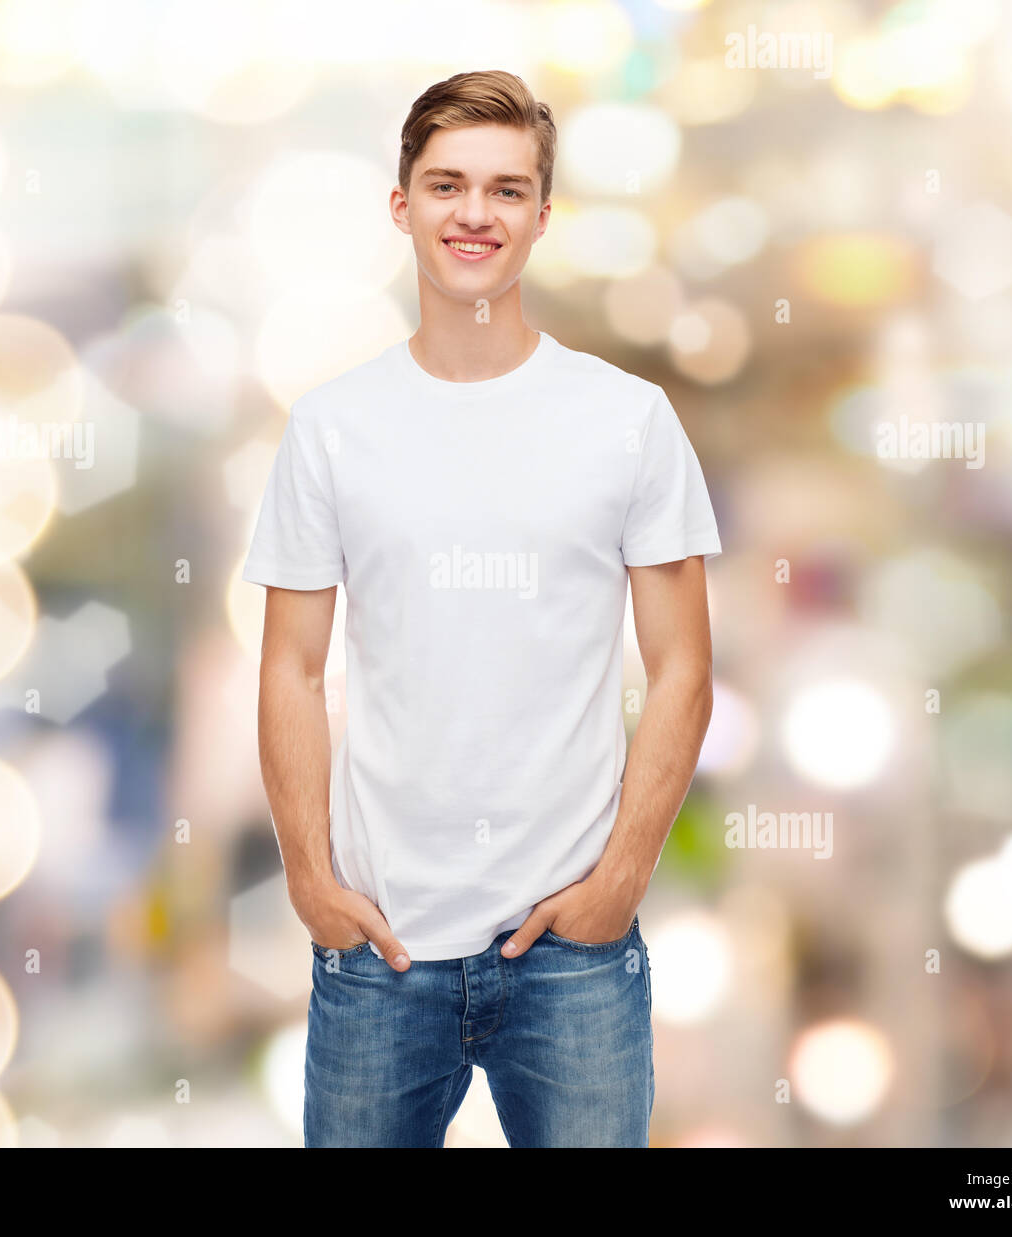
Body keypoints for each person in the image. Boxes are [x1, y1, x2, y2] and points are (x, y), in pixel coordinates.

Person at [243, 69, 721, 1147]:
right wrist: (312, 882)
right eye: (448, 183)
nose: (475, 213)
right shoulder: (332, 427)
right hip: (379, 949)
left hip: (573, 954)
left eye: (506, 190)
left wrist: (621, 880)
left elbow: (685, 665)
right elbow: (289, 668)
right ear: (401, 202)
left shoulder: (628, 420)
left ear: (542, 217)